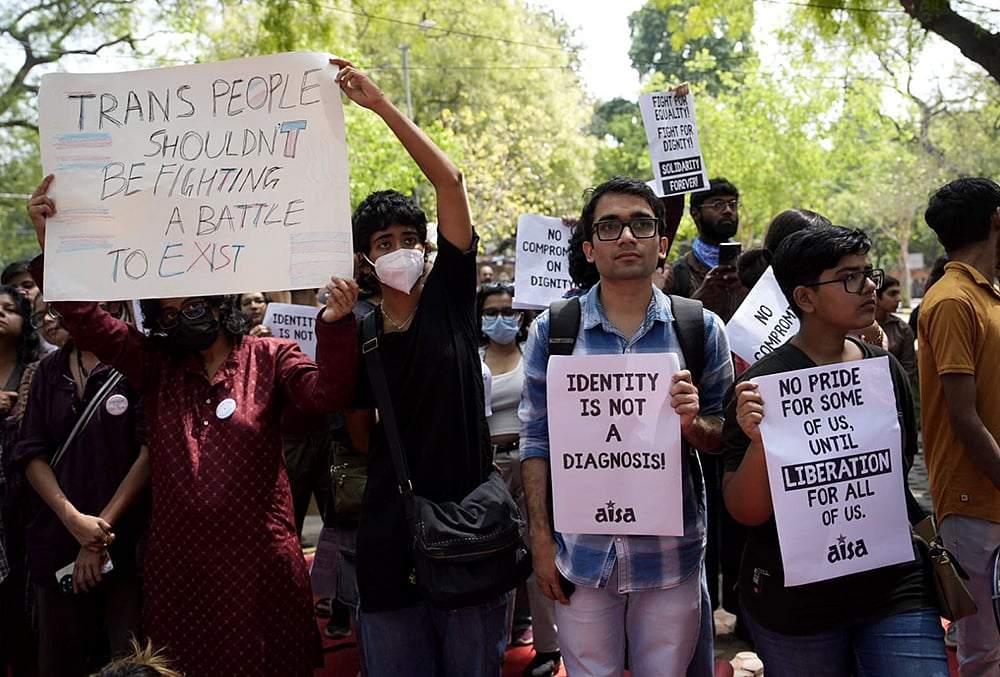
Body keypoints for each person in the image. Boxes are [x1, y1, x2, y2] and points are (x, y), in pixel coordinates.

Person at [26, 171, 360, 677]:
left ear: (222, 301)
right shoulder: (156, 366)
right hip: (182, 570)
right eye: (172, 313)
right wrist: (52, 238)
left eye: (196, 305)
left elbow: (326, 396)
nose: (186, 318)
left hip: (259, 566)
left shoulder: (270, 356)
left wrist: (334, 326)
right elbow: (86, 316)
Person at [332, 59, 506, 676]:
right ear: (364, 259)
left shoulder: (452, 301)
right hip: (388, 536)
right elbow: (358, 429)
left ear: (428, 246)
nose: (401, 248)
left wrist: (380, 106)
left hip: (469, 533)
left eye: (411, 236)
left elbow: (451, 182)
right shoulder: (357, 333)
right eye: (384, 243)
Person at [520, 176, 734, 675]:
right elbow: (536, 440)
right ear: (590, 248)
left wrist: (692, 422)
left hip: (671, 556)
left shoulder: (700, 328)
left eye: (640, 224)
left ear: (662, 244)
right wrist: (542, 541)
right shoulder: (554, 331)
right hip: (581, 556)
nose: (627, 237)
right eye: (610, 226)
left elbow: (723, 434)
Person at [722, 224, 947, 676]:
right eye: (849, 277)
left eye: (869, 272)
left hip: (894, 586)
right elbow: (745, 513)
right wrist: (764, 442)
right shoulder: (760, 388)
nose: (870, 287)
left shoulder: (884, 369)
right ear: (804, 298)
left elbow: (895, 470)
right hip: (797, 602)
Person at [9, 300, 149, 677]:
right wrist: (75, 523)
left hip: (124, 540)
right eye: (55, 307)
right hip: (57, 539)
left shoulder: (136, 362)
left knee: (128, 659)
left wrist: (97, 535)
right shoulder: (48, 371)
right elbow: (31, 453)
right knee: (60, 659)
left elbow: (148, 453)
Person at [917, 177, 1000, 676]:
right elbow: (963, 416)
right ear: (996, 219)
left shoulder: (987, 293)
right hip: (974, 501)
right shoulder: (951, 300)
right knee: (983, 648)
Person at [477, 281, 559, 677]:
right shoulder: (470, 359)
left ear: (521, 316)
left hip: (531, 464)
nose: (500, 319)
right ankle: (494, 642)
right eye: (491, 312)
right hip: (484, 470)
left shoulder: (534, 356)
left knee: (539, 552)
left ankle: (549, 646)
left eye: (508, 311)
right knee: (492, 561)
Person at [875, 274, 917, 384]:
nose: (898, 299)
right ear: (876, 297)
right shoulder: (856, 327)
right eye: (892, 294)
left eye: (898, 293)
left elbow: (909, 369)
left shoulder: (902, 328)